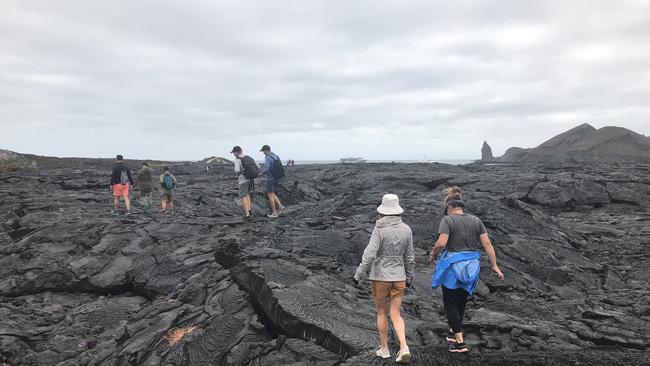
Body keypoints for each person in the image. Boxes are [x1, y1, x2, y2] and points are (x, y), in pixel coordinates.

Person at [428, 186, 505, 353]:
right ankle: (453, 332)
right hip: (472, 266)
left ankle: (460, 343)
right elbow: (487, 244)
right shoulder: (476, 221)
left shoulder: (447, 220)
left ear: (449, 206)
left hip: (453, 267)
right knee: (461, 300)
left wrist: (433, 254)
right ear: (461, 206)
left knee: (450, 303)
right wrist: (494, 265)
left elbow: (441, 243)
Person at [354, 194, 414, 363]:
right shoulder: (406, 229)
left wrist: (359, 274)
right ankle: (404, 347)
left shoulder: (379, 229)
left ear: (383, 211)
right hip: (399, 277)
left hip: (380, 277)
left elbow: (369, 254)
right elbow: (410, 257)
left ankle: (384, 349)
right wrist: (409, 276)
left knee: (381, 313)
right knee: (396, 313)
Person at [231, 146, 258, 219]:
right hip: (250, 180)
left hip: (243, 180)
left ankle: (247, 214)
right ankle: (249, 210)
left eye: (233, 152)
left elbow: (236, 170)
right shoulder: (249, 157)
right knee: (247, 194)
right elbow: (258, 166)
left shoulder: (238, 160)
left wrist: (241, 172)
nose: (233, 154)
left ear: (237, 152)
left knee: (243, 196)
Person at [259, 145, 285, 218]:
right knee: (272, 193)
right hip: (276, 178)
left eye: (263, 151)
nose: (263, 153)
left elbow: (267, 169)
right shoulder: (276, 156)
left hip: (270, 179)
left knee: (270, 195)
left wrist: (261, 173)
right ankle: (280, 206)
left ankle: (274, 212)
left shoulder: (268, 157)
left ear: (266, 150)